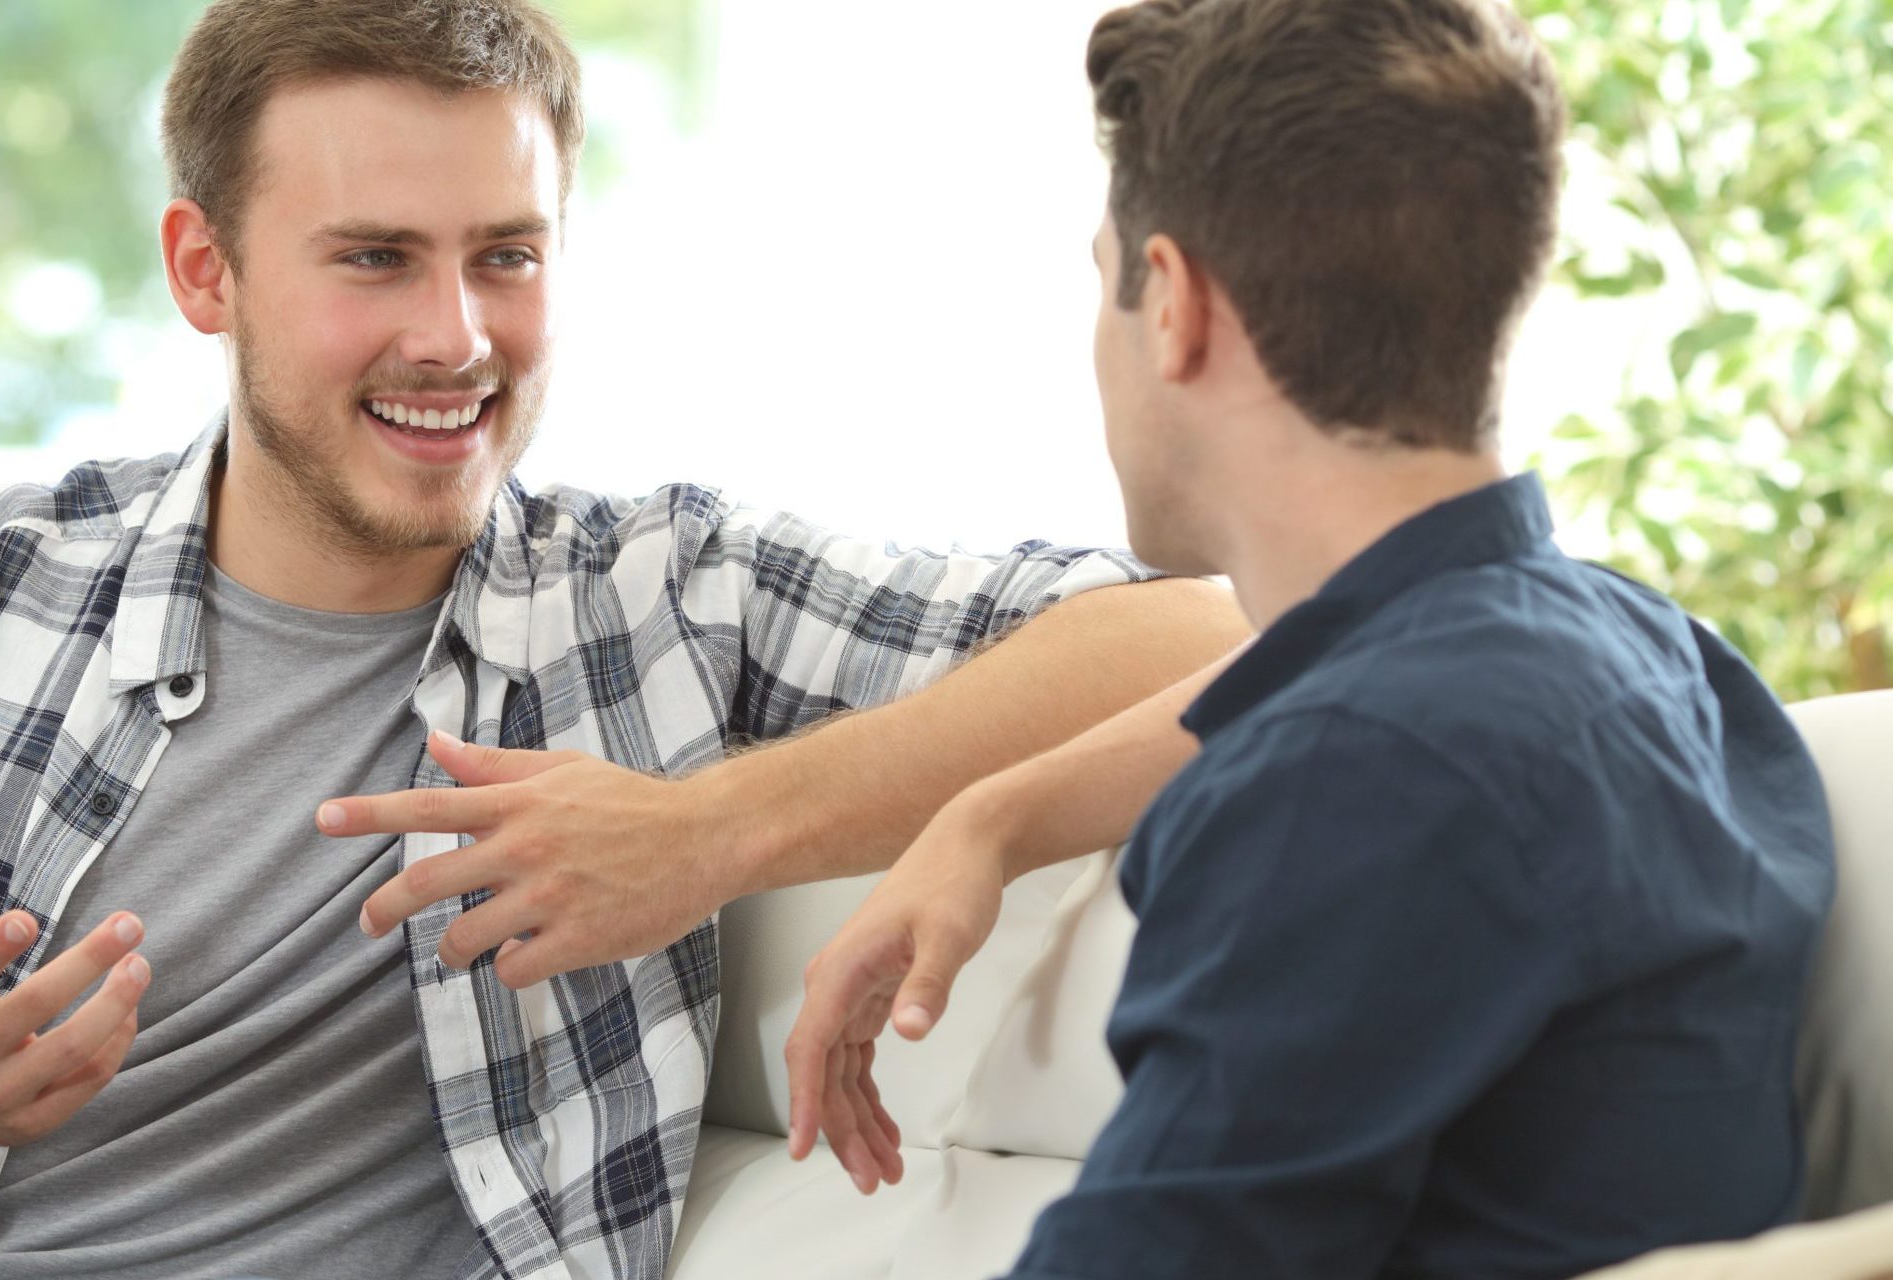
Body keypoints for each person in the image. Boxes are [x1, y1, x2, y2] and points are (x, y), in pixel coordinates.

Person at [0, 3, 1247, 1278]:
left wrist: (710, 834)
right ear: (203, 271)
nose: (458, 336)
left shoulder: (662, 600)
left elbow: (1206, 627)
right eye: (377, 259)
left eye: (509, 256)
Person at [783, 1, 1837, 1277]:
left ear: (1170, 304)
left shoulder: (1361, 775)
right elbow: (1358, 652)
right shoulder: (1642, 646)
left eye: (1099, 282)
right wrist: (987, 818)